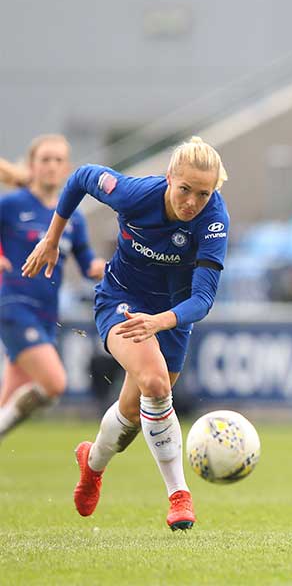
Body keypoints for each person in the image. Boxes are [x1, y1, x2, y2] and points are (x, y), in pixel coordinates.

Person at [22, 136, 230, 531]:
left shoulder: (214, 221)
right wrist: (52, 238)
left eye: (203, 194)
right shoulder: (134, 195)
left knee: (134, 412)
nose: (192, 202)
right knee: (154, 382)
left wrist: (162, 320)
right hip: (121, 299)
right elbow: (82, 177)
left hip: (171, 314)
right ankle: (179, 496)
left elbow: (203, 299)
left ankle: (92, 464)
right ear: (169, 177)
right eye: (184, 189)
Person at [0, 134, 105, 441]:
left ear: (67, 168)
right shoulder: (12, 204)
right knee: (55, 383)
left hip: (47, 316)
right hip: (14, 306)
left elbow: (87, 265)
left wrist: (108, 268)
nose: (51, 166)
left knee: (9, 402)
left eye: (58, 160)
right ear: (32, 165)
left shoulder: (72, 217)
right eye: (45, 159)